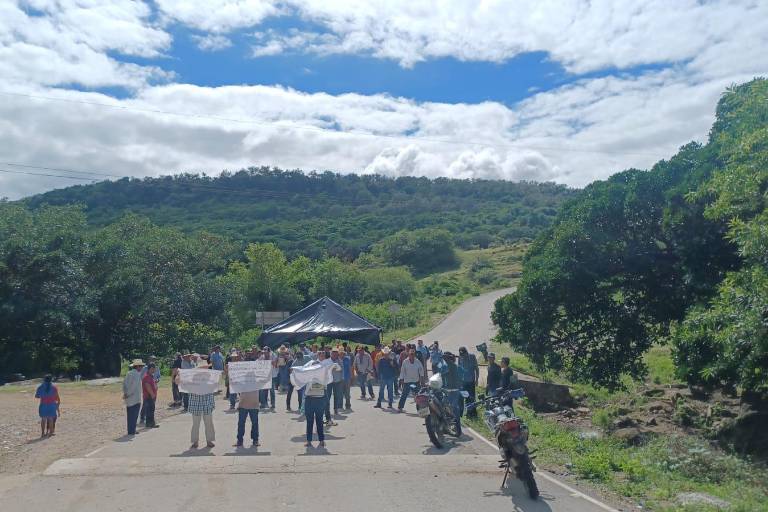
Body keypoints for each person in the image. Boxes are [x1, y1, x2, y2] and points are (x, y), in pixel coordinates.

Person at [181, 359, 216, 449]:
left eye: (205, 367)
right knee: (196, 424)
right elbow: (180, 382)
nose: (204, 369)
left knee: (209, 423)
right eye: (203, 367)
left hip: (207, 401)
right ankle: (195, 441)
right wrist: (178, 374)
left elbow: (215, 384)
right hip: (196, 402)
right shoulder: (192, 377)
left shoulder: (210, 376)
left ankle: (209, 440)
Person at [439, 352, 463, 435]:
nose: (445, 359)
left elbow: (442, 375)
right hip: (451, 390)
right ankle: (449, 426)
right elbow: (441, 376)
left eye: (446, 358)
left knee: (451, 407)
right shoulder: (449, 366)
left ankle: (455, 426)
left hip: (453, 390)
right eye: (444, 358)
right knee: (447, 406)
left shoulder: (451, 366)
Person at [235, 381, 260, 448]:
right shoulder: (241, 379)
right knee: (241, 423)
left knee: (254, 423)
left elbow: (266, 379)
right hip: (243, 404)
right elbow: (235, 384)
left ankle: (255, 440)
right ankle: (239, 440)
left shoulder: (258, 379)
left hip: (254, 404)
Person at [122, 359, 144, 436]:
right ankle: (132, 431)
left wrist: (125, 393)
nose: (142, 367)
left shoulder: (129, 373)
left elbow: (124, 384)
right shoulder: (137, 374)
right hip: (135, 398)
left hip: (129, 398)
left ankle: (131, 430)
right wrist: (128, 394)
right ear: (137, 366)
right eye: (141, 366)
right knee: (134, 415)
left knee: (130, 415)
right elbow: (133, 387)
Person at [458, 346, 479, 418]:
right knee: (465, 397)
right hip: (463, 382)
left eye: (463, 355)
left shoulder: (472, 357)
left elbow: (476, 368)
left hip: (471, 381)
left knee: (472, 397)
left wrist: (477, 379)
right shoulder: (460, 358)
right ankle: (467, 412)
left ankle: (473, 413)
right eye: (461, 355)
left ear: (466, 352)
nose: (463, 356)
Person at [139, 357, 160, 426]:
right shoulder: (147, 376)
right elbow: (148, 386)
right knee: (149, 409)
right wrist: (152, 394)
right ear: (150, 369)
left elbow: (152, 383)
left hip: (150, 395)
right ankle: (150, 423)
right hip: (149, 396)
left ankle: (150, 423)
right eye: (153, 369)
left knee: (151, 409)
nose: (154, 370)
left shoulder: (150, 376)